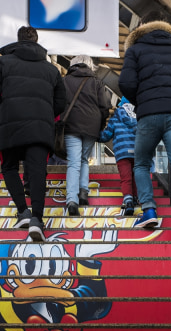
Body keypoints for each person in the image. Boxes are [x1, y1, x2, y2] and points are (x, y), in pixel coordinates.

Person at [119, 10, 171, 241]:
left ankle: (149, 210)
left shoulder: (135, 50)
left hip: (148, 115)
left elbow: (125, 83)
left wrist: (142, 99)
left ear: (142, 27)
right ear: (167, 27)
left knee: (141, 163)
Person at [0, 26, 67, 242]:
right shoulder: (51, 70)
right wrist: (45, 113)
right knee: (38, 171)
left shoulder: (2, 62)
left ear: (18, 40)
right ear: (37, 41)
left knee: (9, 167)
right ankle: (37, 220)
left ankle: (23, 212)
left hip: (11, 123)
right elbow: (60, 102)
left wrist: (1, 110)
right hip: (40, 128)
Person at [62, 55, 111, 216]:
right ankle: (83, 192)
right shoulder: (96, 82)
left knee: (74, 162)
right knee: (83, 159)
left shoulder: (65, 81)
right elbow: (104, 106)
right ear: (90, 66)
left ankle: (72, 200)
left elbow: (58, 103)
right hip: (91, 126)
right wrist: (100, 125)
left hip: (71, 126)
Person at [99, 96, 138, 216]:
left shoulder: (116, 117)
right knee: (136, 176)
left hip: (122, 152)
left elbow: (106, 135)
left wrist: (96, 136)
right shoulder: (139, 116)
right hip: (137, 152)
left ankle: (128, 202)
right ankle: (136, 198)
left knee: (126, 178)